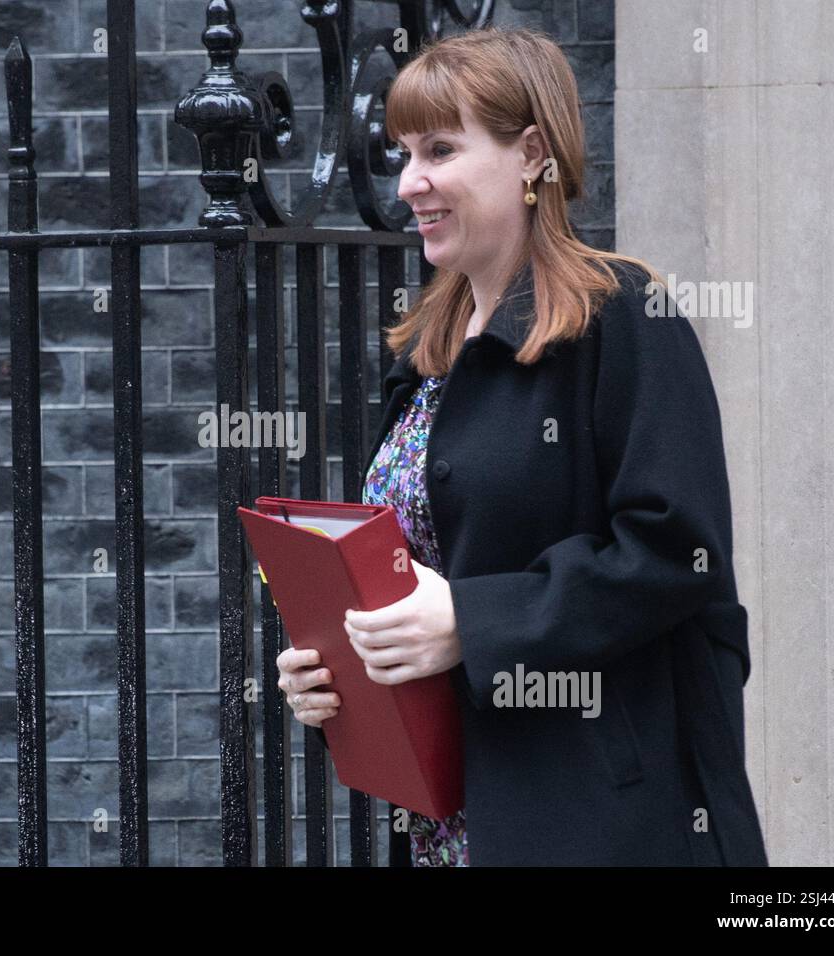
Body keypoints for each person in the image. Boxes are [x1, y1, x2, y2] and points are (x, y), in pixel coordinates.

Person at [275, 27, 768, 867]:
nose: (409, 183)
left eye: (440, 149)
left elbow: (674, 553)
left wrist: (474, 619)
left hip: (597, 822)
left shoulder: (621, 316)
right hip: (452, 825)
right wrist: (340, 672)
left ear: (531, 153)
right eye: (402, 152)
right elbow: (415, 572)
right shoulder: (425, 353)